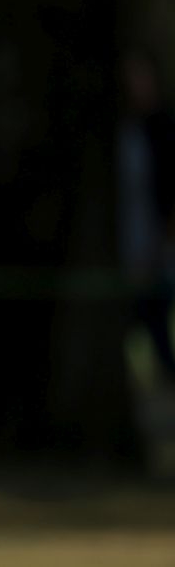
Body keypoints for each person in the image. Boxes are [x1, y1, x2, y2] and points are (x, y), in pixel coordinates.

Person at [117, 47, 175, 386]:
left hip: (156, 245)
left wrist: (161, 243)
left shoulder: (164, 129)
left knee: (152, 315)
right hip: (131, 242)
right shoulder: (125, 129)